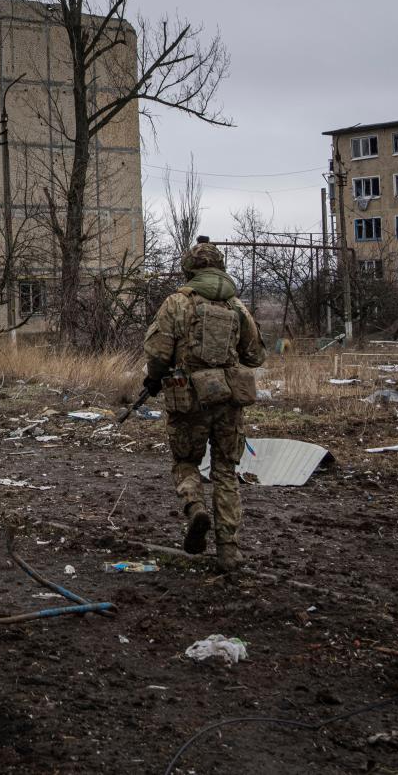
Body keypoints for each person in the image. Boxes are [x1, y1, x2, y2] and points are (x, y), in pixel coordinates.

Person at [142, 238, 265, 572]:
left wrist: (153, 379)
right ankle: (229, 551)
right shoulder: (236, 307)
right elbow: (255, 356)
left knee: (185, 462)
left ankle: (195, 506)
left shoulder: (176, 303)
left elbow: (157, 354)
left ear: (189, 269)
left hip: (188, 400)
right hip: (228, 401)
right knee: (226, 471)